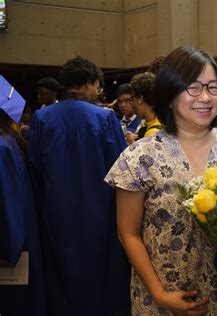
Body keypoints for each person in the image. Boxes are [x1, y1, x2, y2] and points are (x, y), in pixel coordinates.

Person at [105, 46, 217, 315]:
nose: (206, 97)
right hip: (159, 297)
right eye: (193, 87)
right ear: (170, 93)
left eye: (213, 86)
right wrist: (160, 295)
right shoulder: (140, 156)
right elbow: (128, 233)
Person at [27, 56, 130, 316]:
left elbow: (35, 166)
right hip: (101, 211)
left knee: (61, 271)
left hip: (57, 209)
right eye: (97, 85)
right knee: (102, 273)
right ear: (88, 84)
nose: (98, 91)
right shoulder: (104, 119)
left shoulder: (41, 118)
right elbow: (121, 169)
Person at [0, 78, 47, 316]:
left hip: (12, 244)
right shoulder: (9, 140)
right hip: (23, 234)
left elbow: (8, 206)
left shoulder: (2, 147)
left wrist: (9, 250)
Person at [125, 71, 162, 145]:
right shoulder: (162, 121)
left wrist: (133, 145)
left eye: (132, 99)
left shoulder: (152, 133)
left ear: (140, 99)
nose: (132, 105)